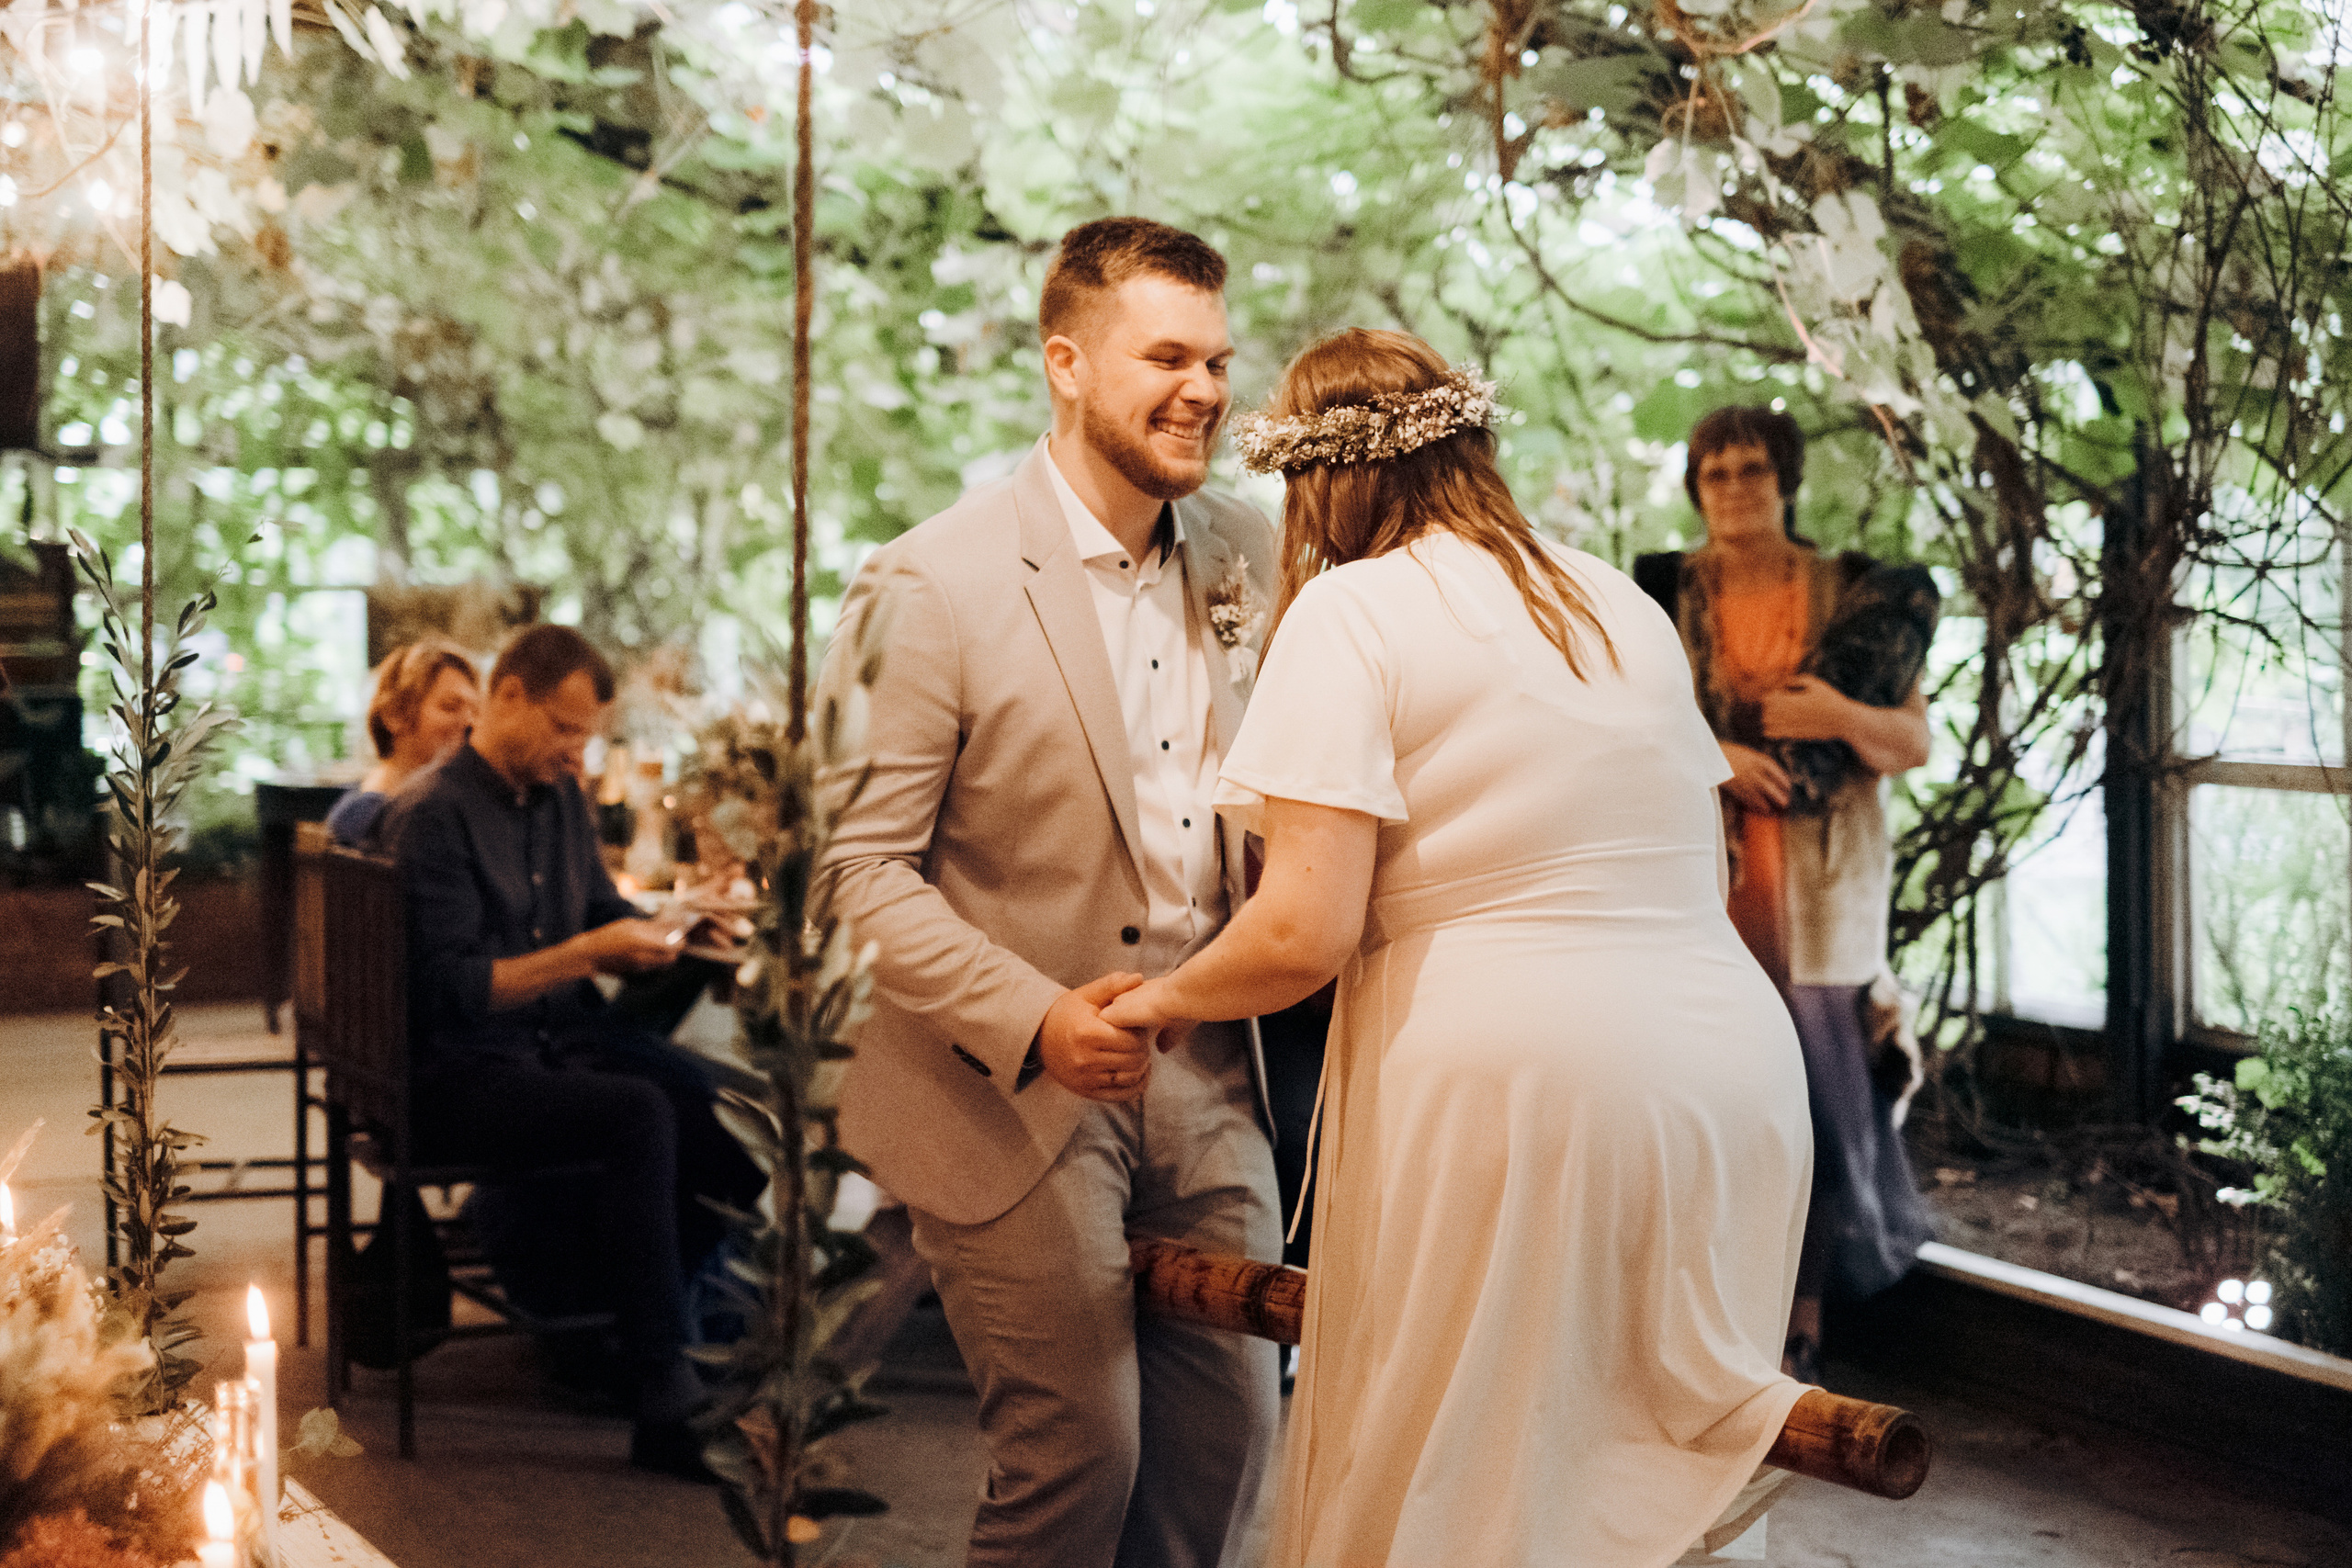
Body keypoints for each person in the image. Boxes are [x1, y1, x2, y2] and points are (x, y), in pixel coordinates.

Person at [1101, 329, 1813, 1568]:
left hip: (1522, 1076)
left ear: (1321, 477)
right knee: (1630, 1463)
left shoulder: (1353, 609)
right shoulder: (1617, 595)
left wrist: (1158, 996)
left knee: (1473, 1462)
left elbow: (1302, 932)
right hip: (1732, 1069)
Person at [813, 217, 1283, 1568]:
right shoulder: (930, 579)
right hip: (1004, 1085)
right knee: (1079, 1464)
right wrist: (1036, 1016)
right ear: (1066, 364)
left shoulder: (1251, 548)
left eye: (1217, 358)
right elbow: (849, 869)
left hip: (1212, 1082)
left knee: (1219, 1462)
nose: (1203, 388)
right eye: (1167, 356)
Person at [376, 623, 763, 1478]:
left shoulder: (559, 802)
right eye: (565, 728)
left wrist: (679, 918)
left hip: (553, 1044)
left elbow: (594, 917)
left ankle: (630, 1329)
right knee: (639, 1113)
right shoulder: (430, 816)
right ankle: (661, 1395)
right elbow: (452, 991)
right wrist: (589, 954)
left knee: (736, 1121)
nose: (576, 751)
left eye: (586, 734)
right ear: (507, 696)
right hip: (458, 1072)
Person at [1634, 405, 1939, 1382]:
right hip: (1699, 877)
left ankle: (1799, 1313)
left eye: (1753, 467)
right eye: (1714, 469)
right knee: (1706, 1098)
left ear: (1786, 478)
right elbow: (1622, 730)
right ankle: (1699, 1309)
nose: (1734, 485)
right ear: (1693, 485)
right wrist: (1713, 755)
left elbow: (1908, 746)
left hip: (1816, 880)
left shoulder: (1853, 593)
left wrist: (1838, 712)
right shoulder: (1659, 593)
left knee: (1809, 1098)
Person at [326, 638, 479, 845]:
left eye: (476, 712)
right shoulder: (364, 819)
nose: (471, 723)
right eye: (450, 706)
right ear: (394, 715)